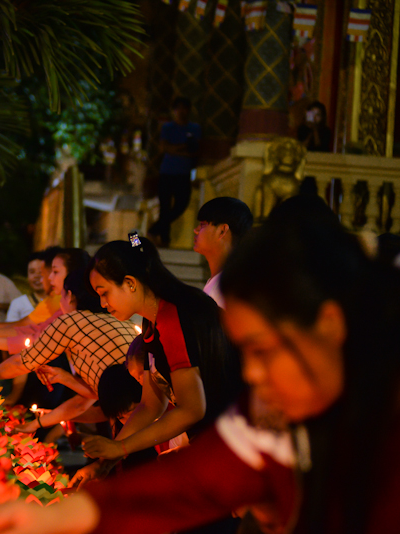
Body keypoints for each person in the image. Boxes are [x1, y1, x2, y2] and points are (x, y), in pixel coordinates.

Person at [0, 200, 400, 534]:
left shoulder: (178, 318)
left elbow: (191, 411)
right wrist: (54, 517)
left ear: (329, 325)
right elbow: (193, 479)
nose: (252, 375)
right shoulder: (271, 407)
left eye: (262, 351)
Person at [76, 235, 242, 487]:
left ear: (130, 283)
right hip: (215, 445)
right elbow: (150, 405)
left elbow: (192, 409)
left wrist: (121, 448)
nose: (103, 303)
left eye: (104, 293)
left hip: (235, 444)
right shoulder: (153, 322)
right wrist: (106, 461)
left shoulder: (174, 318)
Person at [0, 269, 139, 430]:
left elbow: (22, 362)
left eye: (55, 271)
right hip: (142, 411)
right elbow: (85, 401)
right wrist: (38, 422)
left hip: (136, 417)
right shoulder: (118, 322)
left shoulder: (71, 321)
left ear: (70, 296)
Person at [149, 97, 201, 247]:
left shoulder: (194, 128)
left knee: (181, 205)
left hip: (183, 173)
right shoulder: (168, 128)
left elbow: (194, 150)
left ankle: (154, 230)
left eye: (184, 108)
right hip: (167, 172)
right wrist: (183, 148)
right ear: (174, 111)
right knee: (164, 207)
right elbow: (165, 148)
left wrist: (175, 149)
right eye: (178, 108)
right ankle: (165, 240)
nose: (181, 111)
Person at [192, 197, 253, 308]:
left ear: (222, 231)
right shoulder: (220, 281)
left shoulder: (230, 287)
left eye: (203, 224)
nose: (196, 230)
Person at [6, 253, 47, 322]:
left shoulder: (61, 301)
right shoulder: (18, 303)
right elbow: (11, 327)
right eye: (32, 272)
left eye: (41, 272)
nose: (36, 276)